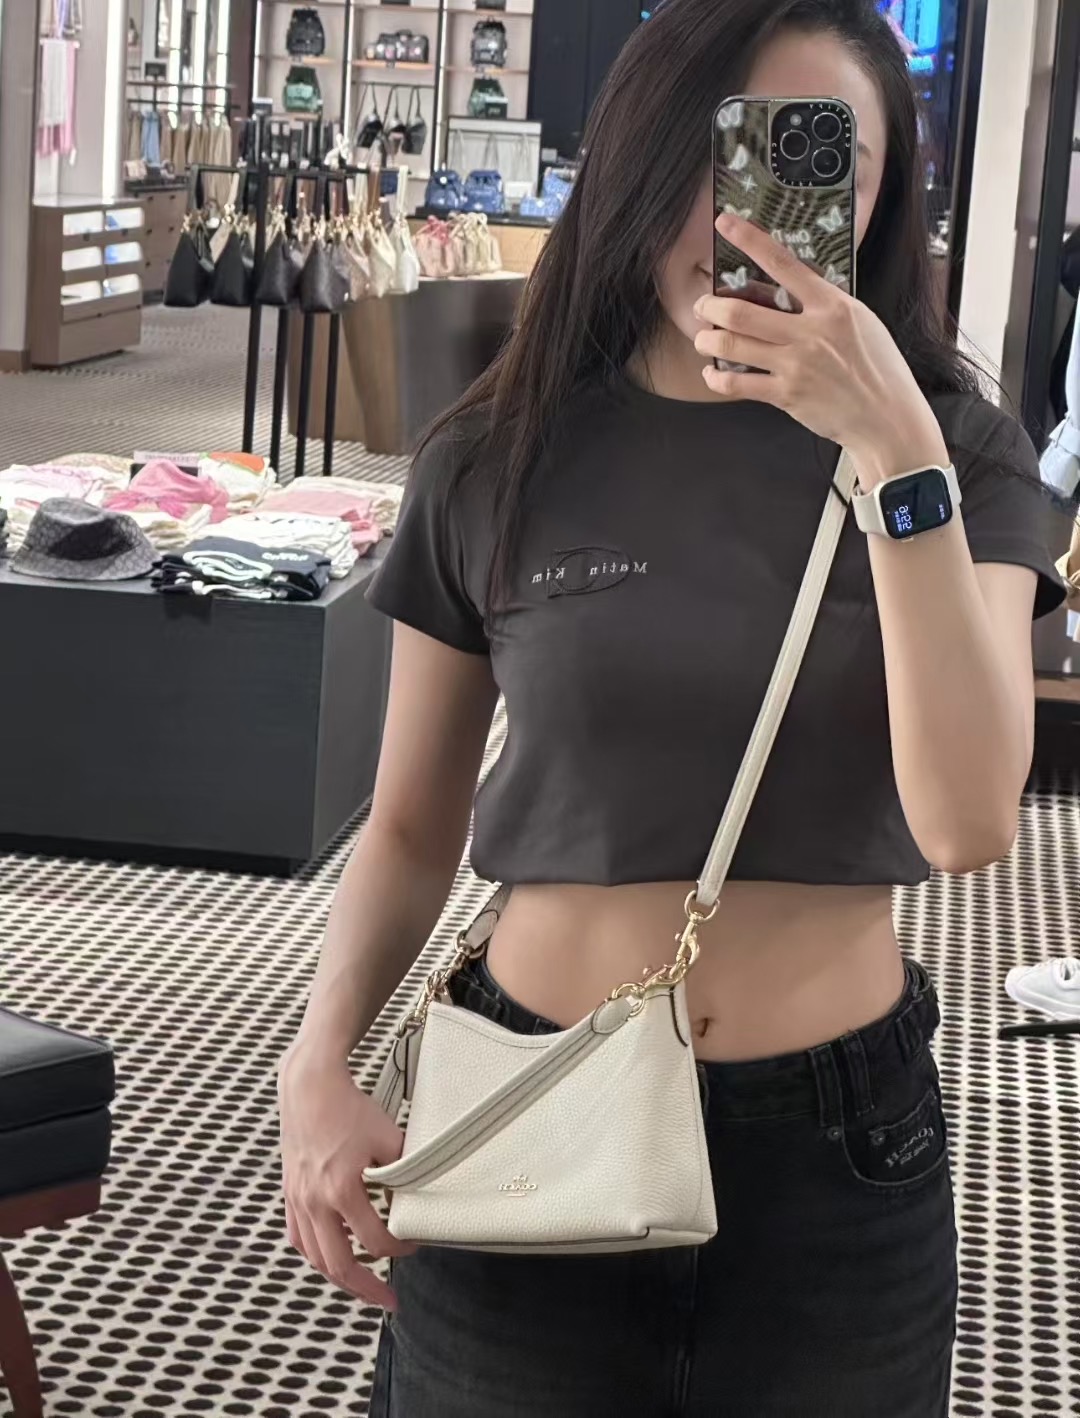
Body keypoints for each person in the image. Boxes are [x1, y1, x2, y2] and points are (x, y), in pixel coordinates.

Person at [277, 1, 1066, 1413]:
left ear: (880, 198)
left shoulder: (957, 455)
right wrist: (318, 1057)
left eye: (812, 160)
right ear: (638, 156)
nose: (743, 212)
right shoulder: (503, 450)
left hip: (834, 1159)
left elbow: (965, 820)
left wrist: (896, 454)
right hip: (527, 1107)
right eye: (715, 152)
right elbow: (407, 824)